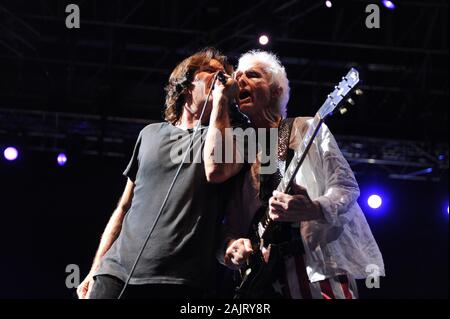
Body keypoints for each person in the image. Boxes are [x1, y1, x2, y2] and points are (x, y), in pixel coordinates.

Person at [77, 48, 244, 299]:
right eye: (210, 71)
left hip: (180, 280)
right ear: (186, 83)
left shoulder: (237, 137)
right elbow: (124, 207)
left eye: (224, 74)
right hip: (115, 274)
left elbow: (216, 170)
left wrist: (221, 100)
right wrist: (96, 269)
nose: (220, 77)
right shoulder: (149, 134)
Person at [220, 50, 385, 299]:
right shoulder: (238, 152)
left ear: (276, 91)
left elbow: (346, 187)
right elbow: (231, 226)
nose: (240, 80)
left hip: (316, 273)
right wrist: (230, 247)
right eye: (238, 75)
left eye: (252, 75)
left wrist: (314, 208)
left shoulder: (305, 128)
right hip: (262, 285)